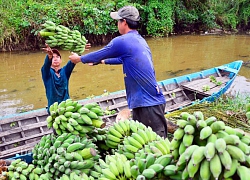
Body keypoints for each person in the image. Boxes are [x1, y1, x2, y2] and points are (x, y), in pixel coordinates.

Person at [68, 6, 167, 138]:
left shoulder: (121, 41)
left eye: (118, 21)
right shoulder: (139, 39)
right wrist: (103, 62)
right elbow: (123, 59)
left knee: (158, 143)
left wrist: (79, 59)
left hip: (148, 103)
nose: (117, 24)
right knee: (145, 142)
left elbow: (99, 53)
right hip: (145, 100)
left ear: (124, 22)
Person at [41, 43, 90, 114]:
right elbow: (46, 66)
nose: (55, 59)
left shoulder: (65, 71)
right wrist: (49, 56)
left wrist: (80, 49)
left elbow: (73, 61)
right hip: (54, 109)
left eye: (57, 57)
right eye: (53, 57)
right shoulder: (47, 73)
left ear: (60, 60)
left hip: (67, 106)